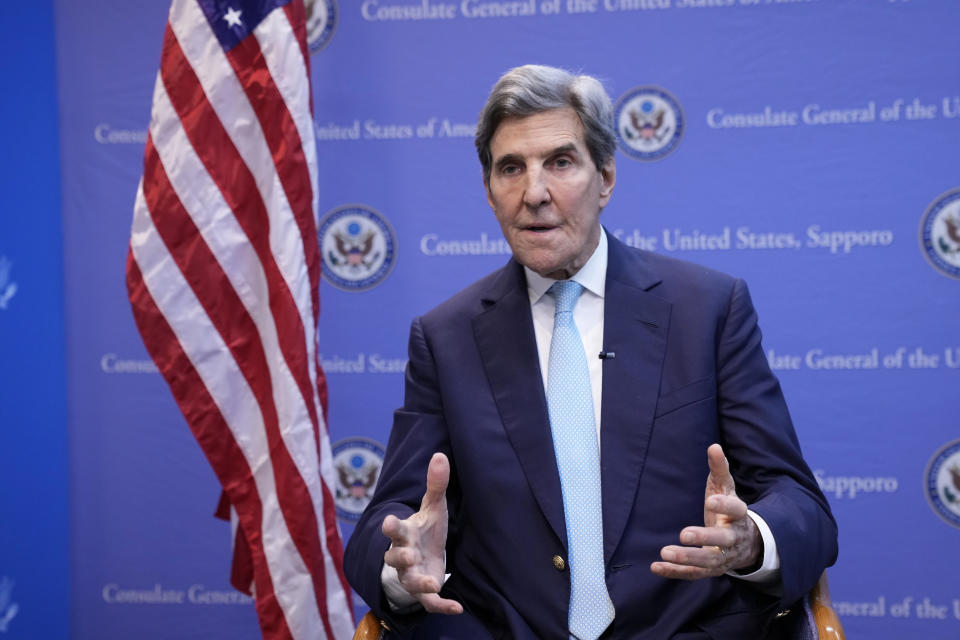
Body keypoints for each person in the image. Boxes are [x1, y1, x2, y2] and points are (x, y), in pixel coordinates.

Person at [344, 64, 837, 639]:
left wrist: (752, 539)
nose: (534, 193)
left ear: (605, 177)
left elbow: (800, 504)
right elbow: (386, 523)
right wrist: (402, 569)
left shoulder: (708, 310)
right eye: (511, 168)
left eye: (560, 162)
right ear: (489, 192)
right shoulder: (445, 337)